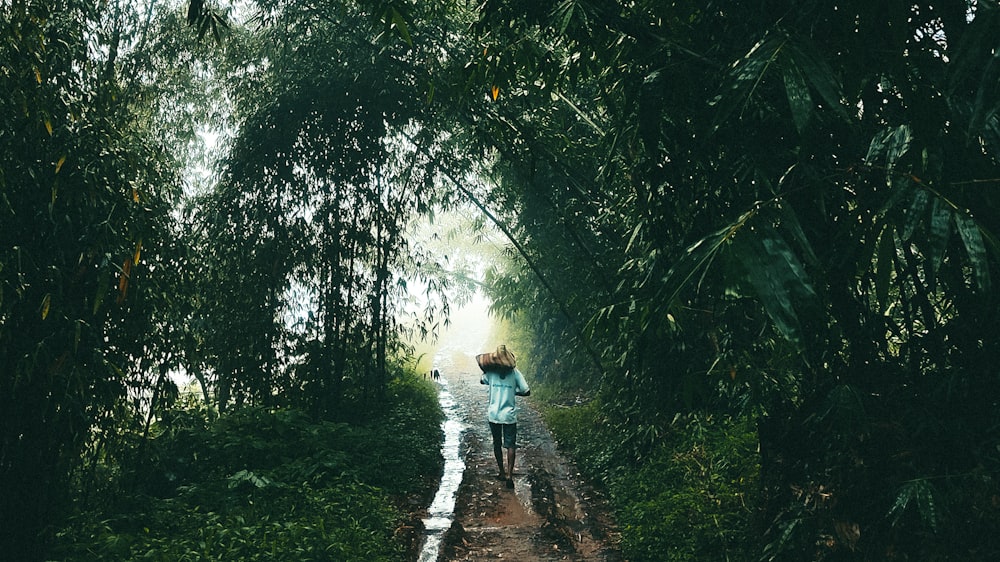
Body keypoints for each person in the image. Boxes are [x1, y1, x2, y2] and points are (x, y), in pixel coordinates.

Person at [480, 349, 530, 489]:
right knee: (510, 445)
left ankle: (501, 472)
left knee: (497, 443)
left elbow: (481, 380)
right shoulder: (515, 373)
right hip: (509, 415)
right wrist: (513, 391)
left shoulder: (491, 373)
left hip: (494, 415)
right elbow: (527, 391)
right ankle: (509, 475)